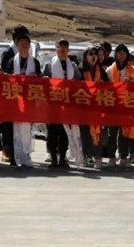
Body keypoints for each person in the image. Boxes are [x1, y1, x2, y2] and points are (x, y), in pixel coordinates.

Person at [3, 29, 41, 168]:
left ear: (29, 46)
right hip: (15, 99)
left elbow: (40, 80)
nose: (24, 44)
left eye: (26, 42)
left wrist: (36, 78)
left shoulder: (35, 62)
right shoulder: (12, 61)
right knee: (14, 129)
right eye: (21, 42)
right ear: (17, 45)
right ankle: (14, 156)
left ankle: (25, 155)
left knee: (26, 129)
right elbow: (6, 79)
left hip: (29, 100)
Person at [46, 39, 83, 169]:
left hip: (67, 104)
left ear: (68, 50)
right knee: (52, 133)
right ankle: (53, 158)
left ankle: (62, 158)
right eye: (60, 47)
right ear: (56, 49)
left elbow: (79, 81)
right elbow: (43, 82)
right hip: (53, 104)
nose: (62, 50)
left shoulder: (72, 65)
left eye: (65, 47)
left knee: (65, 133)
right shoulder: (49, 65)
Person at [105, 44, 134, 168]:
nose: (121, 55)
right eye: (119, 53)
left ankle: (123, 157)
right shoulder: (109, 70)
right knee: (112, 133)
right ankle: (111, 157)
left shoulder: (133, 70)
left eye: (124, 53)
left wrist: (131, 82)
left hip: (127, 105)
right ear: (116, 54)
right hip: (113, 105)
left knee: (124, 132)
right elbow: (105, 87)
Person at [79, 46, 108, 170]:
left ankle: (98, 157)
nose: (93, 56)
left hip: (97, 106)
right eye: (90, 54)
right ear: (85, 56)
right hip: (83, 106)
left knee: (97, 132)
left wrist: (103, 84)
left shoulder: (100, 70)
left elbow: (109, 86)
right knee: (84, 132)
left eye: (95, 54)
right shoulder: (80, 70)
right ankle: (84, 156)